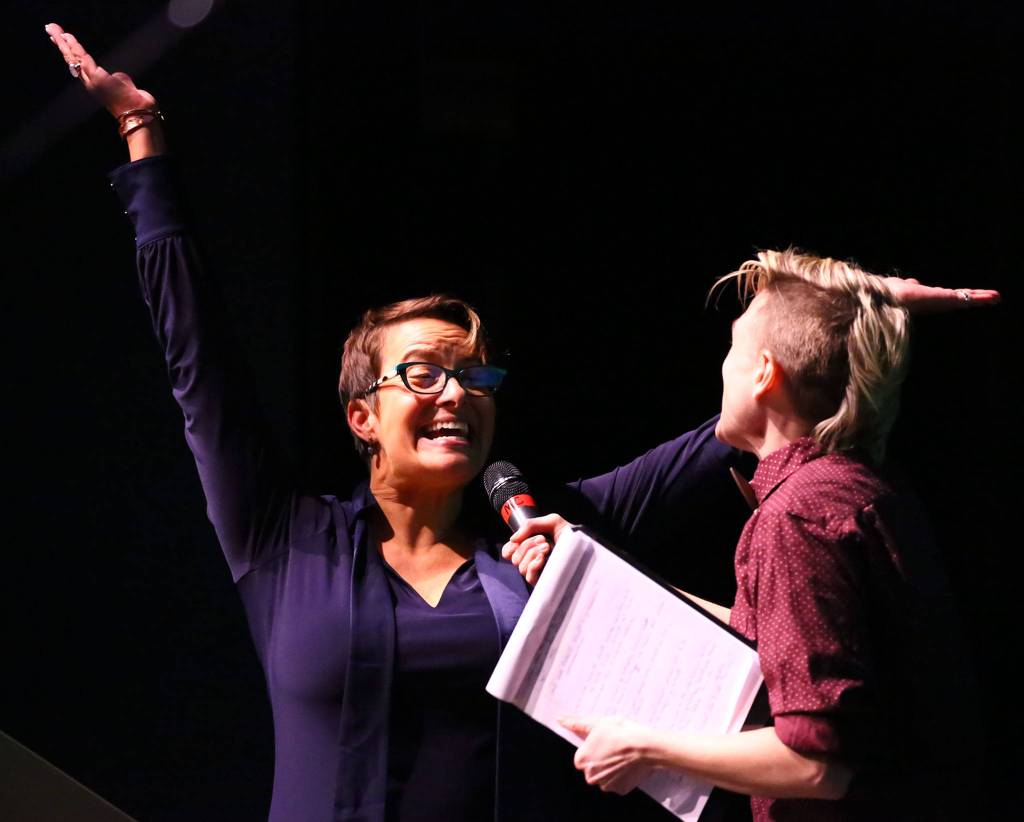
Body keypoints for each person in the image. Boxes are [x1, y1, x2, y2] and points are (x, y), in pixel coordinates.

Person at [44, 23, 997, 822]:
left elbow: (763, 400)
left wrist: (862, 308)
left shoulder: (545, 531)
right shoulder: (281, 541)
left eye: (477, 375)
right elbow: (197, 365)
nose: (459, 392)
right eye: (423, 373)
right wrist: (144, 141)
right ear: (361, 416)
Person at [513, 250, 984, 820]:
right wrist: (588, 565)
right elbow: (770, 637)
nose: (722, 369)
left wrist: (644, 746)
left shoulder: (797, 516)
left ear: (764, 372)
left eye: (732, 351)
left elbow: (817, 763)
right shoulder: (861, 486)